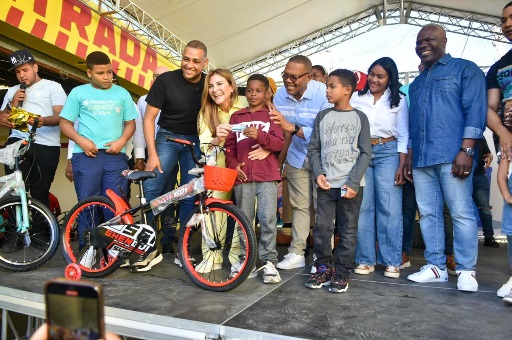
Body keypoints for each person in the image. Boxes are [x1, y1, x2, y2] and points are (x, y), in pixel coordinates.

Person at [405, 24, 487, 292]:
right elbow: (413, 123)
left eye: (428, 39)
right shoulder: (416, 83)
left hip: (454, 155)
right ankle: (436, 267)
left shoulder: (465, 69)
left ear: (444, 41)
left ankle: (466, 270)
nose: (422, 45)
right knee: (429, 214)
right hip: (422, 159)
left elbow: (475, 110)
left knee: (461, 212)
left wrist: (467, 150)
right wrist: (409, 156)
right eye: (418, 41)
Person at [140, 40, 208, 272]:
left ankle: (184, 249)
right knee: (153, 190)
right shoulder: (165, 80)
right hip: (167, 138)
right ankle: (147, 247)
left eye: (195, 61)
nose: (189, 65)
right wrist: (152, 153)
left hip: (194, 140)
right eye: (186, 59)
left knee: (191, 193)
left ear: (205, 63)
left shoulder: (209, 83)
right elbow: (148, 118)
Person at [59, 51, 137, 248]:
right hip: (86, 157)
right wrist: (81, 141)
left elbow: (130, 124)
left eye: (109, 72)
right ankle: (88, 251)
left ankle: (113, 251)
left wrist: (121, 141)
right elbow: (65, 123)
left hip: (115, 157)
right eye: (101, 73)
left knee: (116, 205)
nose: (106, 77)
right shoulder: (78, 92)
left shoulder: (122, 93)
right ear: (89, 73)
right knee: (87, 205)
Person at [306, 69, 371, 293]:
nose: (327, 90)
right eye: (326, 86)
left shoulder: (360, 117)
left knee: (347, 230)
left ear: (347, 89)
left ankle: (342, 272)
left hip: (350, 188)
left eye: (332, 86)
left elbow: (365, 153)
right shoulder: (322, 117)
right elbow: (313, 149)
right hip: (326, 185)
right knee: (323, 228)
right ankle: (322, 267)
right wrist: (319, 173)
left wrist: (353, 182)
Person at [271, 55, 331, 270]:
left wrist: (293, 128)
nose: (288, 81)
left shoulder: (323, 95)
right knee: (299, 206)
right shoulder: (279, 95)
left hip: (322, 158)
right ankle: (297, 252)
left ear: (308, 77)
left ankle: (322, 256)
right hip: (296, 156)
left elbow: (325, 132)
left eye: (294, 77)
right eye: (285, 75)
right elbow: (278, 130)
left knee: (324, 207)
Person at [351, 57, 408, 279]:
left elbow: (403, 134)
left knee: (390, 208)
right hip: (361, 152)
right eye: (372, 74)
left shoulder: (399, 100)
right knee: (363, 207)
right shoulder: (357, 97)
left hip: (389, 152)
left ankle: (391, 261)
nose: (374, 79)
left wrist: (402, 164)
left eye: (380, 76)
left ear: (390, 78)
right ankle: (365, 259)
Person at [224, 74, 284, 283]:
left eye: (259, 90)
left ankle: (268, 262)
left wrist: (260, 137)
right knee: (244, 221)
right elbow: (229, 146)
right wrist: (233, 165)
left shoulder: (272, 116)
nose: (253, 94)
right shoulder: (236, 117)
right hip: (242, 178)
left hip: (267, 176)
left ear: (267, 93)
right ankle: (246, 260)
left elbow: (279, 144)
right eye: (250, 90)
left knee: (268, 219)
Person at [0, 49, 66, 209]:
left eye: (25, 70)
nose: (22, 75)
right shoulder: (12, 91)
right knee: (14, 192)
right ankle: (15, 232)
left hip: (47, 145)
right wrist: (13, 103)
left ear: (35, 67)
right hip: (18, 142)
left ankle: (39, 234)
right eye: (17, 72)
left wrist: (43, 121)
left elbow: (62, 117)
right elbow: (2, 118)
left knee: (40, 193)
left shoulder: (53, 87)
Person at [135, 65, 179, 255]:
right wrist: (139, 156)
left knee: (168, 198)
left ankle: (168, 238)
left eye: (161, 76)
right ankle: (148, 241)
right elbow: (138, 128)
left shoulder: (176, 99)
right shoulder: (144, 100)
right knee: (149, 198)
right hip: (148, 156)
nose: (157, 79)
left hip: (169, 155)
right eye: (154, 76)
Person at [486, 1, 512, 301]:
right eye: (503, 19)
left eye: (511, 17)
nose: (506, 23)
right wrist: (504, 133)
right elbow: (490, 108)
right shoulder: (498, 67)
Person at [473, 138, 499, 248]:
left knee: (485, 208)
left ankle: (489, 237)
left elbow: (487, 153)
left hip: (478, 174)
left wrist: (488, 157)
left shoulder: (479, 134)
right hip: (458, 175)